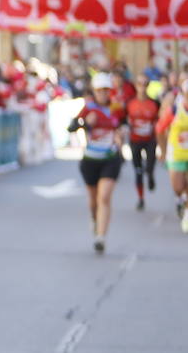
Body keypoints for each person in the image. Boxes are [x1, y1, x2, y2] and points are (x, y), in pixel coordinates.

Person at [68, 73, 126, 253]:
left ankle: (101, 237)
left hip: (110, 158)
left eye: (106, 90)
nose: (103, 94)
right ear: (95, 91)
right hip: (91, 159)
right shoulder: (89, 107)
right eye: (100, 90)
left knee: (104, 197)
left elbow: (124, 125)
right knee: (93, 201)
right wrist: (85, 123)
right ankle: (94, 219)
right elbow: (71, 127)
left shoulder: (116, 108)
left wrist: (121, 135)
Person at [127, 73, 160, 211]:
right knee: (138, 171)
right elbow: (122, 120)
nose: (142, 87)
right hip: (135, 141)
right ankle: (141, 199)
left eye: (145, 84)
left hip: (150, 140)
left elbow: (159, 122)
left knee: (150, 166)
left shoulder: (154, 103)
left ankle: (151, 175)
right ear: (136, 85)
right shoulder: (130, 103)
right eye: (140, 84)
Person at [159, 74, 188, 228]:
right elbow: (159, 129)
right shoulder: (174, 110)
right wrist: (163, 151)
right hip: (176, 154)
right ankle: (181, 199)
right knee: (178, 187)